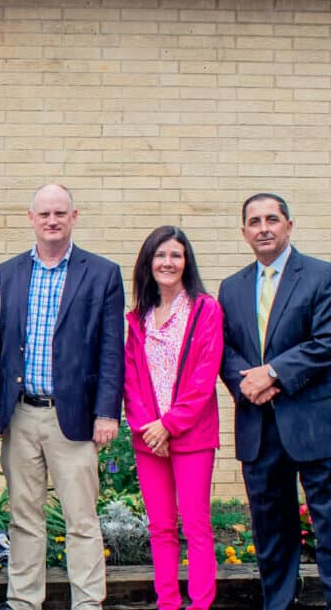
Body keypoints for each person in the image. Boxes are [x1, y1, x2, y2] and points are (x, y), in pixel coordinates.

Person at [0, 183, 124, 610]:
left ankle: (87, 603)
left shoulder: (101, 273)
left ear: (74, 216)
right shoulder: (8, 272)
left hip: (76, 417)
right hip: (21, 414)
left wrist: (106, 412)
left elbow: (112, 349)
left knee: (82, 519)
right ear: (31, 218)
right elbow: (0, 343)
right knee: (24, 517)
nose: (52, 221)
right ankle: (24, 600)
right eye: (44, 214)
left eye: (60, 213)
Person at [219, 193, 331, 610]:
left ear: (289, 226)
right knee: (271, 530)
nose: (264, 227)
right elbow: (223, 349)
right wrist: (247, 383)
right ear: (244, 232)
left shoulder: (323, 275)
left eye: (272, 219)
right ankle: (278, 604)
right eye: (255, 221)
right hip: (259, 427)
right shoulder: (231, 287)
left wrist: (273, 374)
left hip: (316, 423)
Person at [123, 226, 222, 610]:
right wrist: (150, 428)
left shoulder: (204, 310)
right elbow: (131, 379)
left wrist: (171, 425)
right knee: (161, 527)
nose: (167, 262)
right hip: (149, 438)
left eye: (175, 255)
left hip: (192, 436)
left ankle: (199, 604)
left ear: (186, 262)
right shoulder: (139, 317)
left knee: (196, 527)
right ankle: (167, 602)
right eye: (160, 255)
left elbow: (204, 375)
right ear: (148, 263)